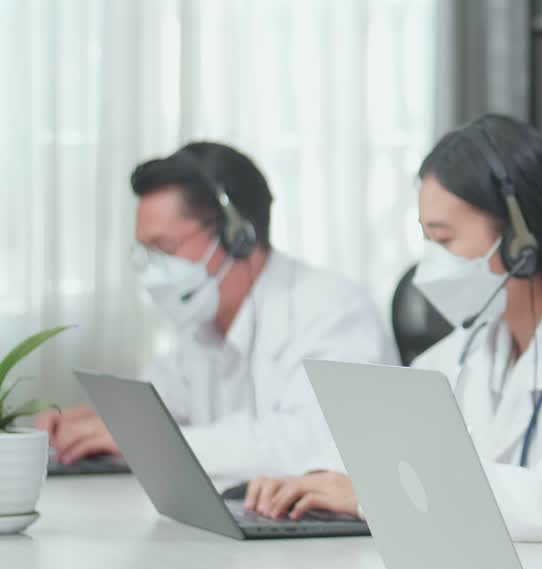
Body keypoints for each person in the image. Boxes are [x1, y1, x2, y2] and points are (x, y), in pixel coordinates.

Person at [244, 115, 542, 541]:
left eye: (445, 239)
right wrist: (316, 479)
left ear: (520, 239)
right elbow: (379, 448)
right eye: (426, 239)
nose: (431, 262)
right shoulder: (468, 348)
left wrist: (372, 494)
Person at [36, 142, 396, 480]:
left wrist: (149, 442)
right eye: (146, 253)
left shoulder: (333, 309)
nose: (154, 271)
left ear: (238, 236)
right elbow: (160, 407)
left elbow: (310, 444)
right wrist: (99, 423)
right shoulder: (202, 323)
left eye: (166, 247)